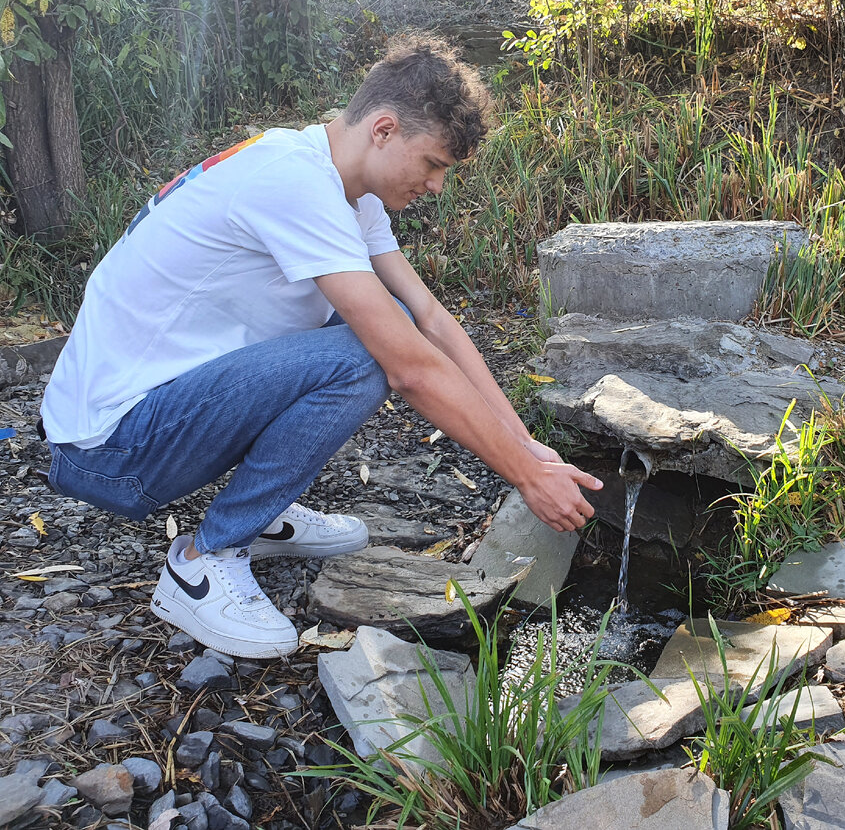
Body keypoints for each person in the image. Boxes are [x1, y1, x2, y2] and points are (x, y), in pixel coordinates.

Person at [39, 34, 601, 659]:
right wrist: (525, 477)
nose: (438, 186)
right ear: (384, 129)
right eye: (435, 164)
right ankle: (203, 560)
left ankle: (262, 510)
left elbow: (432, 319)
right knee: (367, 351)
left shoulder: (346, 190)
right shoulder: (293, 182)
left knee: (377, 325)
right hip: (111, 447)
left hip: (159, 409)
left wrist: (523, 443)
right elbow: (408, 366)